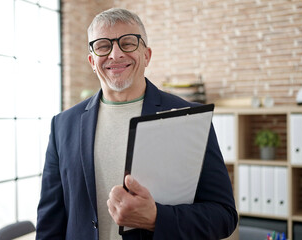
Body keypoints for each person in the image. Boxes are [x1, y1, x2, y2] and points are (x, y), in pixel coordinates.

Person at [36, 8, 238, 240]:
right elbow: (50, 224)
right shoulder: (63, 125)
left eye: (128, 43)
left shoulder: (188, 116)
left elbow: (224, 215)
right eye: (103, 46)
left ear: (147, 55)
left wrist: (155, 218)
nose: (115, 54)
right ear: (92, 61)